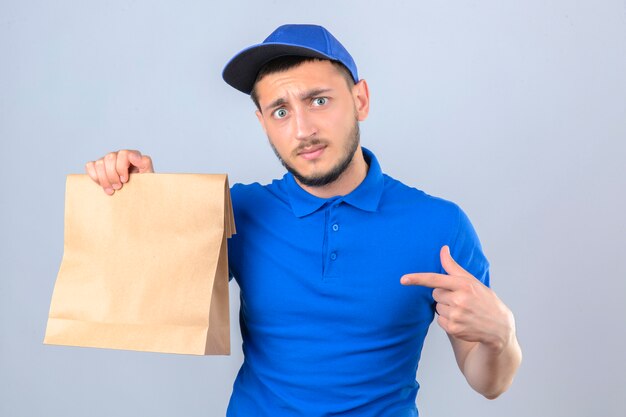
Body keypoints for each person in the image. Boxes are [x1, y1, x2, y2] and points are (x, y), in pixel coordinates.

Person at [85, 24, 521, 417]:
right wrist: (135, 194)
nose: (302, 129)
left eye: (318, 100)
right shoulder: (236, 211)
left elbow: (488, 382)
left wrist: (501, 336)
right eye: (280, 111)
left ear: (360, 100)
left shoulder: (439, 226)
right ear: (262, 123)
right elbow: (150, 290)